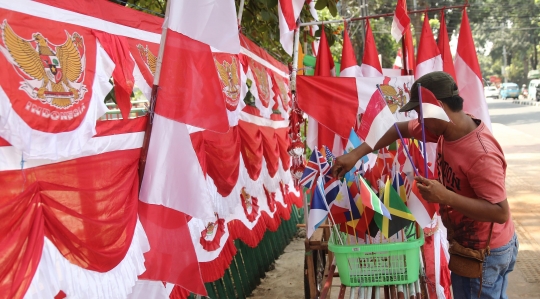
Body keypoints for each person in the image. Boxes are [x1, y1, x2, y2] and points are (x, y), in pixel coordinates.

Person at [331, 72, 517, 299]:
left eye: (421, 113)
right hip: (471, 247)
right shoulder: (446, 129)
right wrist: (355, 155)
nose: (418, 121)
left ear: (437, 107)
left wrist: (446, 197)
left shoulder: (481, 154)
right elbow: (398, 129)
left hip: (484, 253)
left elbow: (500, 212)